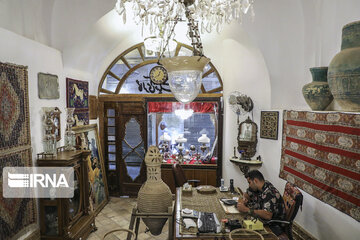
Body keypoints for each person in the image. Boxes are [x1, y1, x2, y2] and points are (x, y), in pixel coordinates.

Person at [237, 170, 286, 236]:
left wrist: (247, 209)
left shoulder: (270, 193)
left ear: (255, 181)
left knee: (243, 232)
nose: (249, 185)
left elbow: (267, 215)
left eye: (249, 182)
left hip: (273, 226)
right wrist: (244, 199)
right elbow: (247, 194)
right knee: (240, 222)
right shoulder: (258, 186)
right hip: (262, 220)